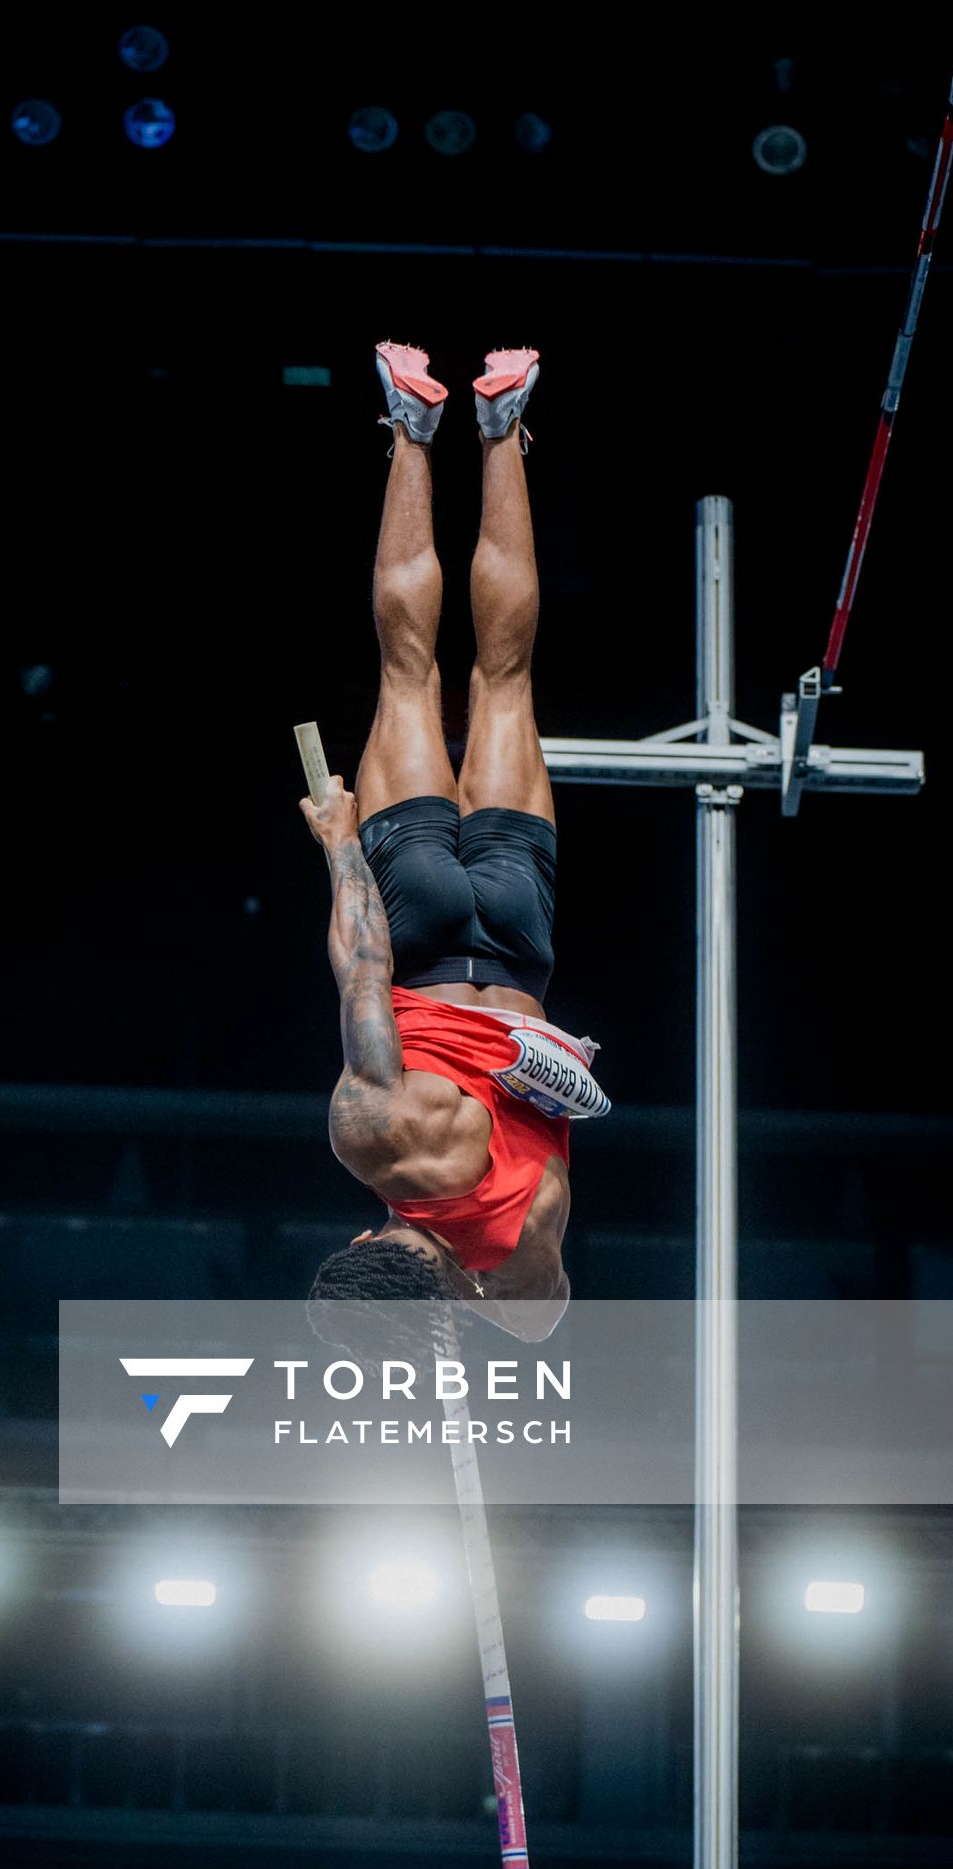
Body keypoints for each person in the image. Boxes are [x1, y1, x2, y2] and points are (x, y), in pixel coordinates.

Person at [300, 343, 608, 1343]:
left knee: (506, 677)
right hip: (420, 930)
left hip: (518, 954)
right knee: (406, 672)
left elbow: (540, 1320)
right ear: (352, 1250)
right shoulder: (371, 1144)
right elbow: (361, 973)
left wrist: (466, 1312)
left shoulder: (523, 1279)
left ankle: (503, 427)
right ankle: (409, 428)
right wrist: (340, 846)